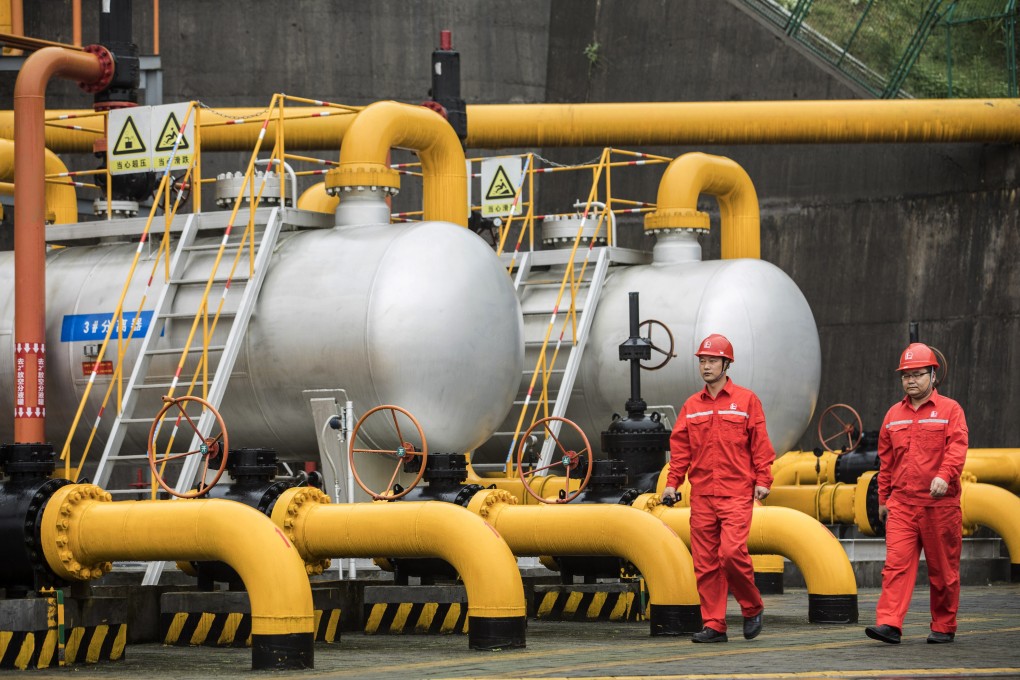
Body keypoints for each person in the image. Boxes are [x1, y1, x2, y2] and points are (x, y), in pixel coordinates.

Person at [662, 333, 775, 643]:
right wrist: (672, 484)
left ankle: (752, 607)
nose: (706, 366)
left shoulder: (746, 400)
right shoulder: (692, 406)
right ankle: (714, 625)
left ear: (726, 364)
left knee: (731, 553)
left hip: (736, 492)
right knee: (705, 563)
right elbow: (681, 449)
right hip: (702, 496)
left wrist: (764, 479)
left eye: (712, 360)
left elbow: (760, 445)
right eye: (702, 361)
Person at [865, 342, 968, 645]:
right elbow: (886, 462)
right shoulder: (893, 416)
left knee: (944, 572)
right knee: (895, 567)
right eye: (905, 375)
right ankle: (889, 624)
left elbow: (957, 449)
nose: (910, 380)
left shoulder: (951, 410)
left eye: (917, 374)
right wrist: (884, 500)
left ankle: (944, 625)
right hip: (903, 505)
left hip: (940, 506)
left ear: (933, 375)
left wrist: (944, 476)